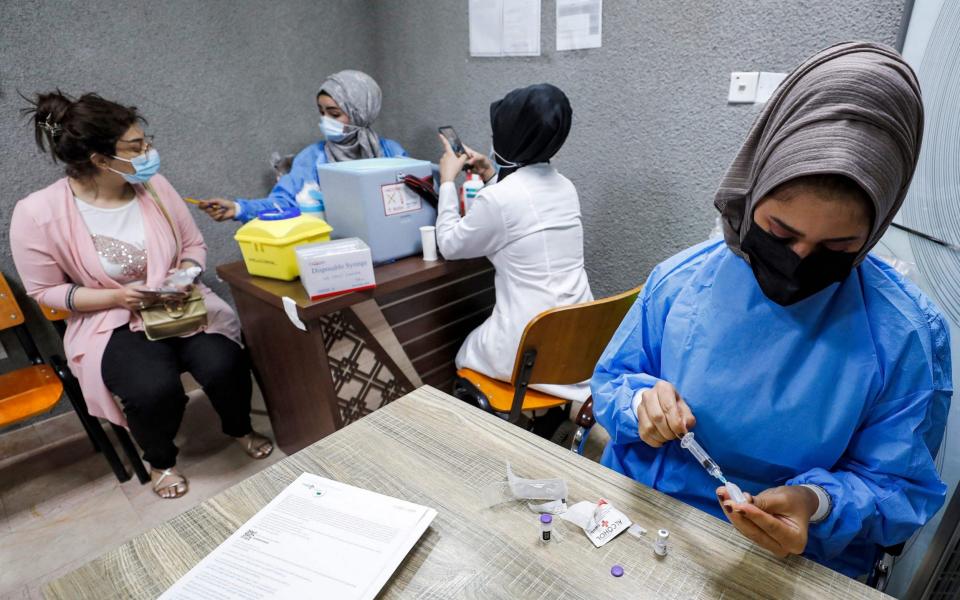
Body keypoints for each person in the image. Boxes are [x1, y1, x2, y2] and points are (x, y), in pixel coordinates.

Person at [592, 42, 951, 577]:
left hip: (790, 557)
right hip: (644, 518)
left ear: (876, 230)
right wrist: (640, 404)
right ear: (751, 188)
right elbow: (612, 381)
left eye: (838, 247)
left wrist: (818, 504)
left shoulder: (905, 335)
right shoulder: (682, 281)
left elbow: (898, 488)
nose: (798, 261)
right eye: (780, 232)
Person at [10, 91, 274, 500]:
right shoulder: (37, 213)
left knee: (225, 363)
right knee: (153, 389)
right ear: (99, 160)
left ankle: (238, 426)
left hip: (178, 305)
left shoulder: (153, 186)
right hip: (111, 319)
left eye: (145, 141)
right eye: (136, 147)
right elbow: (45, 291)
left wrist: (182, 279)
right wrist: (117, 298)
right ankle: (160, 459)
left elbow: (193, 246)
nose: (149, 152)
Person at [436, 83, 593, 402]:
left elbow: (450, 244)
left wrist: (447, 182)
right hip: (579, 348)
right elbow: (522, 211)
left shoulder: (499, 200)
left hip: (529, 350)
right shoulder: (566, 187)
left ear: (510, 136)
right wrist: (491, 173)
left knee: (463, 354)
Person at [198, 70, 407, 222]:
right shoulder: (312, 158)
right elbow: (283, 202)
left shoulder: (391, 153)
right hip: (336, 256)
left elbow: (413, 203)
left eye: (334, 114)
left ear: (360, 113)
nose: (326, 120)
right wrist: (239, 208)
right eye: (321, 112)